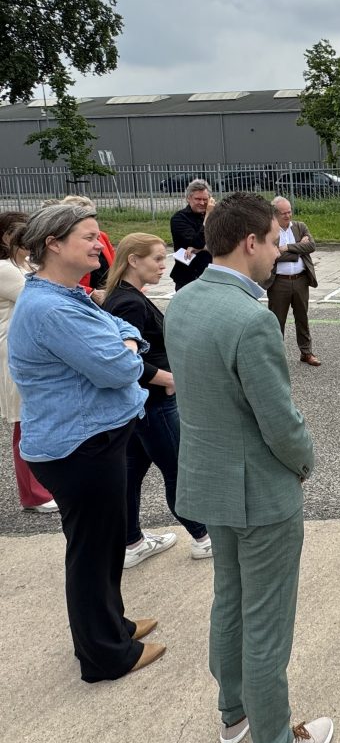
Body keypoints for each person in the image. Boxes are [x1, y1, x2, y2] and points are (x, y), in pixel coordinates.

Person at [164, 192, 331, 743]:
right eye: (274, 238)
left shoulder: (183, 303)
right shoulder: (251, 319)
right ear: (251, 243)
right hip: (258, 491)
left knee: (229, 599)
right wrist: (305, 463)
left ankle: (232, 712)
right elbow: (278, 419)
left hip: (207, 478)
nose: (281, 247)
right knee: (266, 620)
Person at [7, 204, 163, 681]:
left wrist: (127, 343)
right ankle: (103, 656)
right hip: (80, 448)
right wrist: (129, 350)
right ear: (53, 243)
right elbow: (118, 366)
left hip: (91, 441)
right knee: (92, 553)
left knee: (105, 543)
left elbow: (123, 330)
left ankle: (113, 625)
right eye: (89, 236)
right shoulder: (51, 307)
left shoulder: (62, 294)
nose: (100, 245)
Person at [102, 233, 212, 567]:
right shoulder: (129, 302)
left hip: (140, 404)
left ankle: (131, 541)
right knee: (178, 468)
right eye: (157, 259)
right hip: (153, 402)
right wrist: (166, 378)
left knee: (132, 470)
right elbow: (123, 358)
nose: (164, 266)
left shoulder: (125, 295)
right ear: (133, 260)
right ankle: (203, 537)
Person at [0, 212, 57, 513]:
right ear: (8, 238)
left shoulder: (22, 266)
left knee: (33, 418)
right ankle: (33, 494)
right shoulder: (6, 269)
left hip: (26, 347)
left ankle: (40, 487)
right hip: (13, 350)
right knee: (24, 422)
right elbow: (39, 296)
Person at [267, 196, 320, 366]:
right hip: (279, 283)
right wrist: (298, 249)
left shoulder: (300, 226)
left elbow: (311, 246)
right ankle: (275, 356)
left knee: (302, 317)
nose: (288, 215)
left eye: (289, 211)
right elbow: (271, 255)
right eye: (283, 213)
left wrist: (287, 247)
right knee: (277, 320)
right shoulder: (268, 231)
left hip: (300, 281)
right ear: (275, 215)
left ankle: (306, 352)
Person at [61, 194, 116, 302]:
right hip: (80, 299)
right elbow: (58, 280)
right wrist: (90, 292)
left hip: (107, 296)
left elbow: (115, 264)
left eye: (92, 216)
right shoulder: (62, 243)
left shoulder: (102, 236)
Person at [169, 179, 215, 290]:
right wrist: (208, 216)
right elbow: (197, 242)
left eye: (205, 199)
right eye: (198, 199)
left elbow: (225, 244)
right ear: (188, 198)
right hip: (187, 276)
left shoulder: (216, 217)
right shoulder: (179, 218)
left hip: (211, 275)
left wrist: (201, 249)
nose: (202, 203)